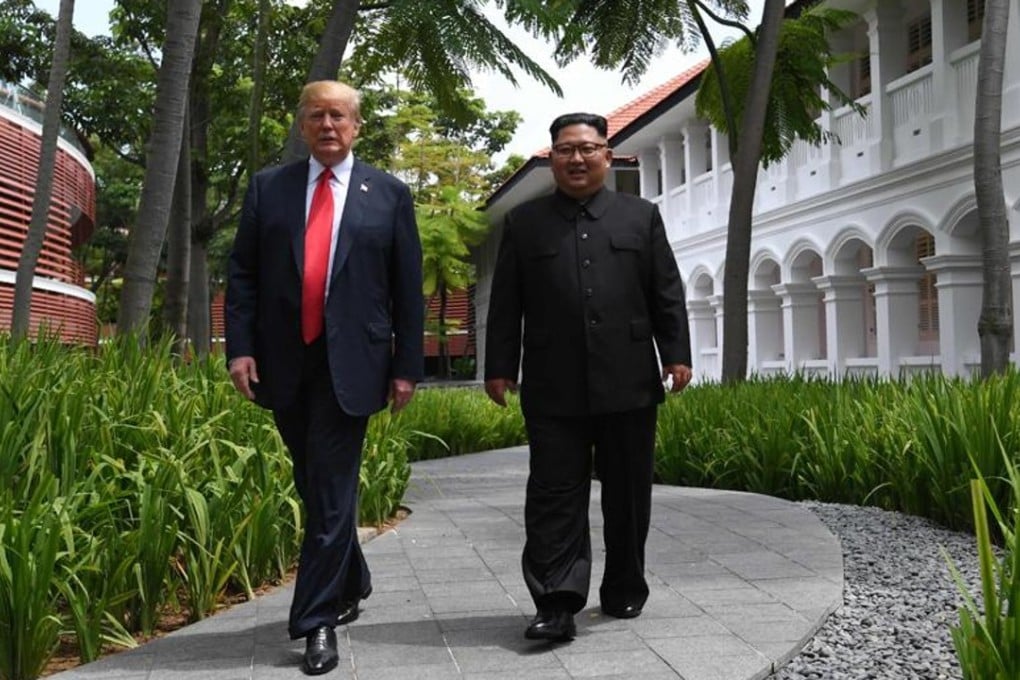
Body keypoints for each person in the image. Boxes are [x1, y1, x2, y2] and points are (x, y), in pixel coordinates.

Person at [225, 80, 423, 675]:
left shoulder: (388, 194)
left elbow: (405, 288)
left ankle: (316, 621)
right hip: (285, 363)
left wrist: (406, 366)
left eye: (338, 115)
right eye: (316, 115)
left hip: (355, 364)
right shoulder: (269, 189)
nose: (328, 124)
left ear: (357, 125)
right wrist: (240, 349)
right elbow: (243, 276)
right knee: (313, 484)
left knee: (332, 488)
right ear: (303, 125)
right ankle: (353, 576)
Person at [484, 112, 692, 642]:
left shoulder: (640, 217)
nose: (577, 158)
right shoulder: (525, 224)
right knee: (554, 496)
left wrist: (676, 353)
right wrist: (500, 367)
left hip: (629, 382)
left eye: (588, 149)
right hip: (554, 387)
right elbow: (507, 303)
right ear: (550, 158)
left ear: (607, 155)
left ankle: (624, 588)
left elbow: (665, 291)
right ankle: (556, 603)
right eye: (565, 150)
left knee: (628, 495)